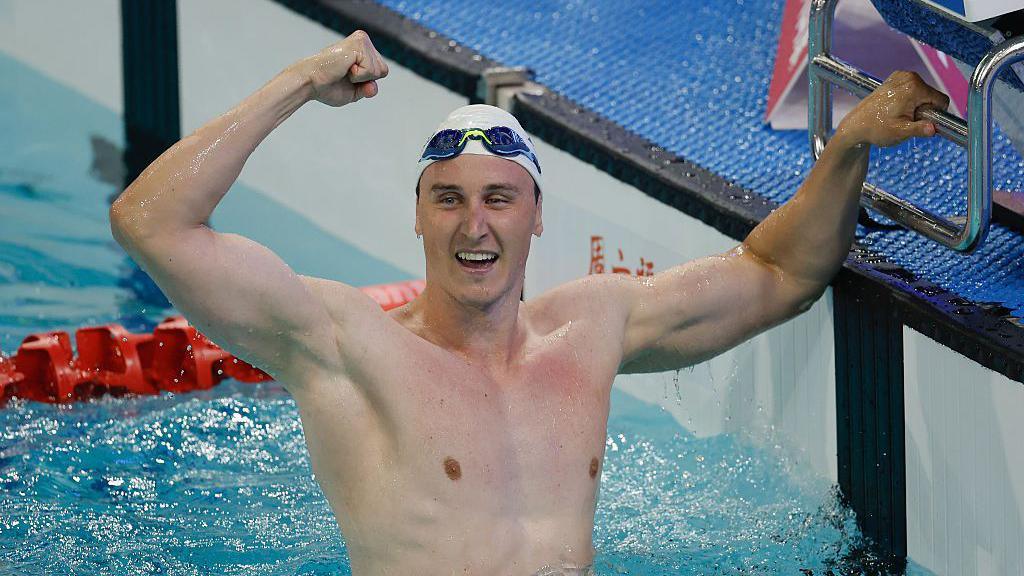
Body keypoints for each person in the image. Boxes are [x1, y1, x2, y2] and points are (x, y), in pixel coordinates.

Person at [110, 30, 949, 576]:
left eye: (499, 199)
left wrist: (849, 144)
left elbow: (778, 275)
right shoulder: (343, 344)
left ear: (539, 214)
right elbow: (151, 223)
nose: (474, 227)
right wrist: (297, 79)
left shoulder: (591, 329)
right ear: (416, 215)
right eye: (448, 199)